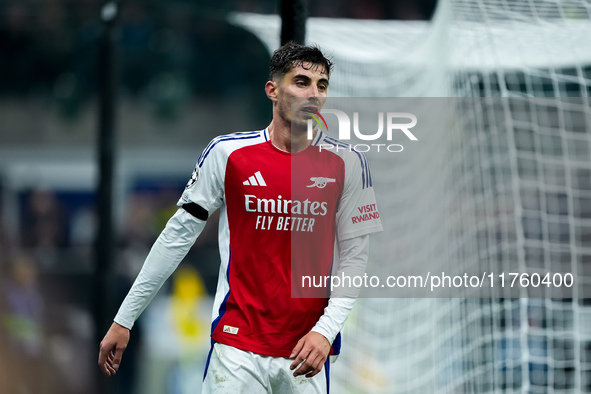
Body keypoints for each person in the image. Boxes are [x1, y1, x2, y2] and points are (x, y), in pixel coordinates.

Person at [98, 42, 382, 393]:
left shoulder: (348, 163)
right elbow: (176, 237)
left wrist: (326, 330)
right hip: (236, 348)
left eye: (321, 86)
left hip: (306, 353)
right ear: (272, 90)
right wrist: (124, 319)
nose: (313, 94)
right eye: (301, 82)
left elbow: (355, 259)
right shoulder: (227, 153)